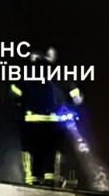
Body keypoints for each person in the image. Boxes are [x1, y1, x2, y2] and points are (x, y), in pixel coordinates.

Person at [10, 47, 84, 186]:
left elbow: (14, 94)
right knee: (52, 150)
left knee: (32, 150)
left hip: (31, 121)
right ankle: (50, 177)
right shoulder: (58, 74)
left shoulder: (26, 74)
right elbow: (75, 95)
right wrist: (73, 106)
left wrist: (20, 108)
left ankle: (32, 178)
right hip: (53, 121)